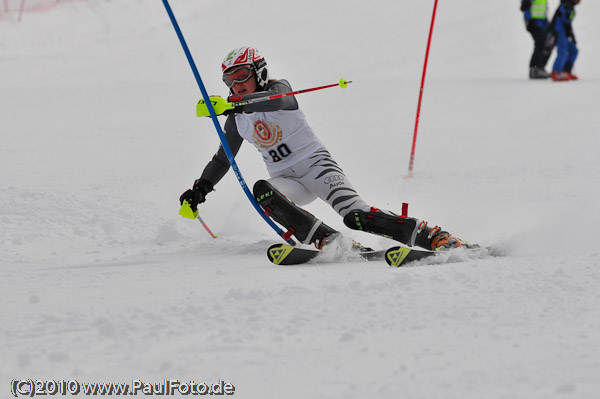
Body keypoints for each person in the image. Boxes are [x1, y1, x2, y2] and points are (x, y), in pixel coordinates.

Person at [180, 46, 471, 252]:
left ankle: (432, 236)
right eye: (229, 81)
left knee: (355, 216)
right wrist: (200, 190)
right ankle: (328, 240)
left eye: (242, 75)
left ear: (260, 71)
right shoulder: (236, 117)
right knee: (263, 190)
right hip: (288, 180)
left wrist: (231, 104)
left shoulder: (280, 89)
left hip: (317, 167)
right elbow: (222, 159)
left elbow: (276, 102)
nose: (236, 85)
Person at [548, 0, 580, 81]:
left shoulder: (571, 6)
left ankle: (566, 71)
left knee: (574, 50)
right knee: (563, 51)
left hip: (564, 32)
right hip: (558, 31)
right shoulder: (566, 5)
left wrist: (571, 35)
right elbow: (565, 21)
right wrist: (569, 33)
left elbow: (568, 23)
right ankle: (556, 72)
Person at [520, 0, 552, 79]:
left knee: (547, 43)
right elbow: (524, 7)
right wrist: (530, 20)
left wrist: (547, 22)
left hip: (542, 22)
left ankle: (540, 67)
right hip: (534, 22)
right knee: (540, 43)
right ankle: (534, 69)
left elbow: (543, 10)